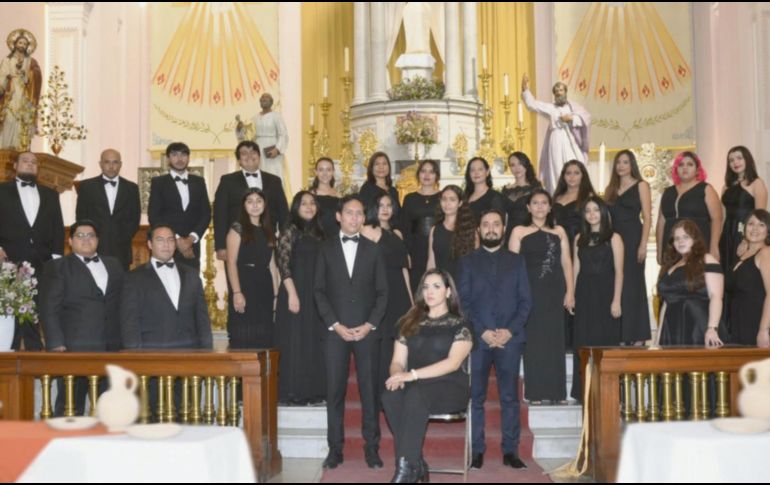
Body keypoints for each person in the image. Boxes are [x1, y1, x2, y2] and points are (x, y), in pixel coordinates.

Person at [314, 195, 388, 470]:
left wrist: (369, 325)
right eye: (349, 213)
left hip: (368, 331)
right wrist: (336, 324)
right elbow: (318, 291)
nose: (354, 218)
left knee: (369, 392)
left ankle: (372, 448)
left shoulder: (374, 249)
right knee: (335, 392)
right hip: (336, 332)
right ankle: (335, 449)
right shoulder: (325, 249)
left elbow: (383, 293)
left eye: (359, 213)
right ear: (338, 216)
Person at [382, 269, 473, 483]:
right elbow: (397, 362)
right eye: (425, 287)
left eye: (436, 286)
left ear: (448, 292)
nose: (429, 292)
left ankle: (405, 472)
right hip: (416, 386)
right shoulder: (408, 322)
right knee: (389, 395)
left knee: (415, 394)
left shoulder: (461, 325)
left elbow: (453, 363)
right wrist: (397, 376)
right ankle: (415, 463)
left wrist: (411, 375)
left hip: (450, 386)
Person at [458, 209, 532, 470]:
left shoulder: (517, 261)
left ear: (504, 228)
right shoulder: (467, 262)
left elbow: (526, 301)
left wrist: (509, 331)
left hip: (510, 340)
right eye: (486, 224)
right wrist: (483, 331)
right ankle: (477, 451)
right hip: (478, 341)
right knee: (475, 397)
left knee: (509, 397)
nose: (491, 228)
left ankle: (510, 451)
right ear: (478, 229)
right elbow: (463, 303)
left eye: (496, 224)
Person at [39, 220, 124, 416]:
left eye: (91, 235)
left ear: (98, 240)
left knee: (110, 409)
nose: (86, 240)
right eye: (80, 235)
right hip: (73, 350)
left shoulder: (114, 264)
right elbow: (48, 307)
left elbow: (124, 303)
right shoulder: (57, 266)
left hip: (111, 348)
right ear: (70, 241)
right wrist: (56, 343)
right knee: (70, 408)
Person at [508, 189, 574, 404]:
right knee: (533, 342)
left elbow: (566, 263)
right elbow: (512, 267)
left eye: (543, 203)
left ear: (549, 207)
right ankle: (535, 392)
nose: (539, 207)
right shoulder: (519, 231)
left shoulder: (560, 231)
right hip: (528, 292)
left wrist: (570, 292)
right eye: (535, 203)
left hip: (554, 292)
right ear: (528, 207)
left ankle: (557, 393)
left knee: (554, 340)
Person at [0, 151, 63, 350]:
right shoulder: (1, 190)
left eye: (34, 162)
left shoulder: (50, 194)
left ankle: (36, 362)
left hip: (42, 263)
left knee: (36, 312)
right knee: (10, 313)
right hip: (8, 262)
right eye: (25, 161)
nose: (30, 164)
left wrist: (55, 261)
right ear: (15, 166)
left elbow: (57, 228)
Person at [120, 223, 213, 349]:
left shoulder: (192, 275)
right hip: (153, 357)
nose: (166, 244)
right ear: (150, 244)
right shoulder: (133, 278)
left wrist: (207, 354)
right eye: (160, 240)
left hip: (190, 356)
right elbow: (130, 324)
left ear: (175, 244)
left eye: (170, 240)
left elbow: (203, 321)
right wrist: (138, 361)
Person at [276, 191, 326, 405]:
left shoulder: (320, 233)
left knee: (312, 342)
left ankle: (312, 391)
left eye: (312, 203)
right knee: (294, 343)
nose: (308, 206)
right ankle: (293, 392)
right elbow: (283, 264)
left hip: (315, 293)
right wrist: (292, 294)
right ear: (295, 207)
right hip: (294, 292)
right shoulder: (290, 230)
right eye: (303, 203)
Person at [572, 197, 624, 400]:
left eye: (596, 210)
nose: (592, 214)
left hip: (606, 295)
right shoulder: (579, 238)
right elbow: (576, 268)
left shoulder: (614, 238)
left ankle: (608, 389)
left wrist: (617, 300)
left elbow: (619, 271)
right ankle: (583, 390)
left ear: (603, 212)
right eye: (588, 210)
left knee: (605, 342)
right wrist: (572, 294)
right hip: (584, 294)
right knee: (583, 342)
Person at [361, 192, 413, 396]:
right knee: (382, 344)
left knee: (399, 340)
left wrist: (411, 302)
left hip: (399, 291)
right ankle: (382, 391)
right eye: (380, 205)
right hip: (379, 291)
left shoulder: (397, 234)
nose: (385, 209)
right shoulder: (368, 230)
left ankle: (399, 388)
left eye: (389, 205)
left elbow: (403, 270)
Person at [604, 150, 652, 344]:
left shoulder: (641, 185)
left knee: (633, 285)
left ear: (632, 164)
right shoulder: (610, 189)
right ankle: (620, 334)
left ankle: (637, 335)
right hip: (614, 238)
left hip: (633, 237)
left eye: (625, 162)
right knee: (616, 283)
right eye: (618, 163)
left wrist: (643, 244)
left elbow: (648, 217)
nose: (621, 166)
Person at [213, 140, 288, 261]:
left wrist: (285, 242)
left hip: (268, 240)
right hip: (237, 241)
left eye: (253, 152)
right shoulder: (227, 181)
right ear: (239, 160)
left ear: (259, 156)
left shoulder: (274, 180)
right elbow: (220, 214)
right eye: (244, 153)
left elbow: (283, 213)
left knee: (267, 277)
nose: (249, 156)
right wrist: (220, 246)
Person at [225, 188, 279, 349]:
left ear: (264, 205)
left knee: (265, 334)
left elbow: (272, 264)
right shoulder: (237, 229)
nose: (255, 205)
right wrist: (236, 293)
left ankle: (262, 374)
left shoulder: (268, 229)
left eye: (259, 201)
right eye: (250, 201)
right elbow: (231, 262)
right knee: (244, 334)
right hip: (245, 283)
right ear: (244, 206)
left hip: (264, 284)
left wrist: (276, 295)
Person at [657, 220, 724, 348]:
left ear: (695, 239)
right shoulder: (671, 265)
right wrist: (659, 336)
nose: (680, 241)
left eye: (685, 237)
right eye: (676, 238)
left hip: (698, 327)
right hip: (672, 328)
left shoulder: (707, 259)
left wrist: (712, 328)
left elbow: (716, 296)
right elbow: (665, 303)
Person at [520, 74, 590, 192]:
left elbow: (586, 117)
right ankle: (557, 194)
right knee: (556, 168)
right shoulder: (550, 108)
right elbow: (533, 105)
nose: (559, 93)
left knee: (575, 164)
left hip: (571, 140)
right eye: (556, 91)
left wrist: (571, 118)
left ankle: (576, 194)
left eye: (561, 90)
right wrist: (525, 90)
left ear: (565, 92)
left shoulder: (574, 107)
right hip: (556, 138)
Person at [147, 142, 211, 269]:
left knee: (191, 284)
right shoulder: (158, 183)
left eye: (183, 154)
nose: (179, 159)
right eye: (174, 155)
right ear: (168, 158)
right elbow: (154, 215)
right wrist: (176, 239)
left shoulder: (199, 182)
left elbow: (206, 214)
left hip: (192, 247)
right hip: (166, 245)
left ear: (188, 157)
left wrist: (190, 239)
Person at [75, 149, 141, 270]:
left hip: (121, 251)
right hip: (93, 249)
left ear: (120, 164)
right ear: (100, 164)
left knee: (121, 288)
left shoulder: (132, 188)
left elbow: (135, 219)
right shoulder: (87, 187)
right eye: (107, 162)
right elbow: (81, 218)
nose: (111, 166)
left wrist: (121, 237)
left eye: (115, 162)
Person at [657, 151, 722, 264]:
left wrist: (714, 247)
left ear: (697, 170)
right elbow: (661, 222)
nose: (685, 168)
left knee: (695, 278)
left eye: (690, 164)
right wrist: (659, 250)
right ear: (676, 169)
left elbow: (717, 219)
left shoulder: (706, 189)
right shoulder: (667, 192)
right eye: (681, 165)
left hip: (697, 246)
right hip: (671, 247)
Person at [720, 146, 768, 272]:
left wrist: (746, 241)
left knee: (743, 273)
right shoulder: (726, 187)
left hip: (746, 235)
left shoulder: (757, 183)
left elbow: (760, 217)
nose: (735, 162)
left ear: (747, 160)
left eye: (739, 158)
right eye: (731, 160)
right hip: (726, 235)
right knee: (726, 272)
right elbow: (723, 216)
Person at [727, 210, 770, 347]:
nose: (755, 228)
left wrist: (764, 330)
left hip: (755, 324)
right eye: (751, 223)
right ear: (744, 228)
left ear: (768, 230)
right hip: (737, 323)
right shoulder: (742, 254)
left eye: (761, 225)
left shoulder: (765, 253)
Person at [401, 159, 440, 289]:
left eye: (431, 172)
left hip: (438, 246)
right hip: (416, 249)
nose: (427, 175)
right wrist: (406, 252)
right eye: (423, 171)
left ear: (437, 176)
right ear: (418, 175)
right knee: (417, 286)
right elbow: (405, 227)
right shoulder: (410, 198)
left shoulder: (443, 197)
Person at [0, 29, 42, 150]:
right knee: (9, 117)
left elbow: (36, 75)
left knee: (23, 118)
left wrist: (27, 73)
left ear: (27, 46)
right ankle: (6, 145)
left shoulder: (30, 61)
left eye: (24, 44)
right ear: (15, 44)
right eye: (20, 43)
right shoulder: (7, 60)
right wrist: (6, 80)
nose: (22, 45)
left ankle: (21, 146)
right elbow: (2, 75)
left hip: (24, 93)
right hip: (11, 91)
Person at [427, 184, 477, 282]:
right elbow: (431, 262)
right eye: (444, 199)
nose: (447, 203)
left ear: (460, 203)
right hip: (442, 286)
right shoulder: (434, 230)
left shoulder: (471, 231)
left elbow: (476, 264)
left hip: (465, 284)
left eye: (452, 199)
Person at [553, 160, 596, 250]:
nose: (572, 177)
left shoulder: (589, 196)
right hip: (557, 241)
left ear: (582, 176)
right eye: (568, 173)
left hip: (580, 242)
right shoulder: (556, 197)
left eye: (576, 173)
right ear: (563, 176)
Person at [502, 151, 542, 243]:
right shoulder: (505, 190)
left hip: (531, 231)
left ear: (526, 165)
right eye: (512, 165)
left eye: (520, 163)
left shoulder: (535, 188)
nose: (516, 168)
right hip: (510, 232)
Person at [253, 93, 289, 181]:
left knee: (272, 172)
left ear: (271, 102)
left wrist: (277, 149)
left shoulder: (276, 116)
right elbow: (250, 133)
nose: (263, 99)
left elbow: (283, 134)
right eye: (262, 98)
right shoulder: (255, 117)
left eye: (266, 98)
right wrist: (240, 129)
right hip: (258, 148)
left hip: (271, 149)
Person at [359, 151, 401, 223]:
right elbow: (364, 213)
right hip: (373, 229)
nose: (381, 167)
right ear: (371, 168)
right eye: (377, 164)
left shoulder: (393, 190)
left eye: (384, 164)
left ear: (389, 167)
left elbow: (399, 214)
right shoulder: (367, 189)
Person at [464, 156, 504, 223]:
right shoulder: (465, 196)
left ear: (487, 172)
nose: (476, 173)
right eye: (472, 170)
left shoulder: (494, 197)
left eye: (480, 169)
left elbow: (499, 224)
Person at [309, 157, 341, 237]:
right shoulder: (310, 196)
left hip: (335, 238)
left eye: (328, 170)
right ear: (316, 172)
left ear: (333, 172)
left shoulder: (339, 195)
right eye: (321, 170)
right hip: (316, 238)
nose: (325, 173)